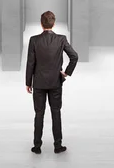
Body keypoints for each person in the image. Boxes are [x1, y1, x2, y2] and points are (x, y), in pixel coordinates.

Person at [25, 11, 79, 154]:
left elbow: (30, 63)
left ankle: (37, 146)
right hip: (56, 82)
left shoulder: (34, 40)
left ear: (41, 23)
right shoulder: (61, 39)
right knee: (56, 113)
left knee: (39, 114)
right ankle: (58, 145)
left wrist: (28, 82)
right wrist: (66, 72)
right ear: (53, 23)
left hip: (39, 83)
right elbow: (74, 56)